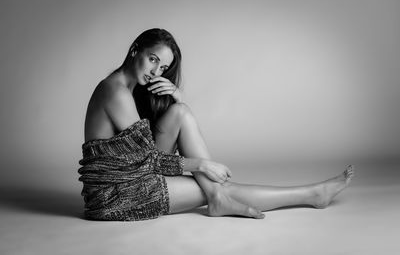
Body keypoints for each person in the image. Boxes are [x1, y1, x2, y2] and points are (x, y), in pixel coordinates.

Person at [78, 28, 354, 221]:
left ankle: (219, 199)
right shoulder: (115, 91)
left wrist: (175, 99)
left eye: (162, 67)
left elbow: (141, 155)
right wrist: (201, 165)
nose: (155, 72)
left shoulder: (128, 87)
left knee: (181, 112)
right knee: (215, 188)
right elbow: (147, 159)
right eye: (153, 59)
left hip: (131, 177)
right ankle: (312, 194)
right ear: (135, 49)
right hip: (113, 197)